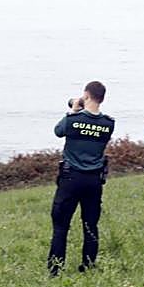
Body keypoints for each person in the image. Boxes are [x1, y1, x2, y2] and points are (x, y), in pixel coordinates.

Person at [48, 80, 115, 276]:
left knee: (61, 225)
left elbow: (58, 131)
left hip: (71, 178)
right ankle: (88, 264)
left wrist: (73, 111)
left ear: (86, 96)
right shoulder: (108, 123)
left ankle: (55, 268)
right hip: (94, 180)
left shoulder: (72, 120)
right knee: (90, 223)